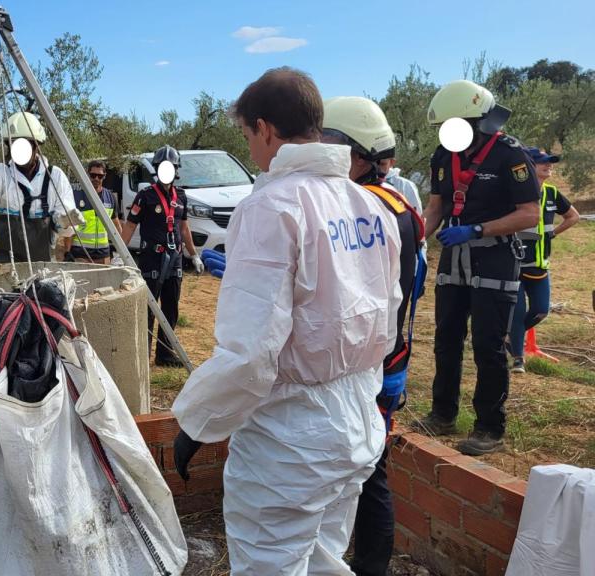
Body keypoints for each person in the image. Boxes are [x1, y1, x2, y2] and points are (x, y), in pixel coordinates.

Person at [171, 68, 401, 574]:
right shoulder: (370, 206)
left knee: (271, 564)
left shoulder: (270, 206)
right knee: (322, 558)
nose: (251, 149)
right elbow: (387, 317)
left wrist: (197, 422)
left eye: (248, 136)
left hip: (291, 440)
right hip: (358, 423)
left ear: (266, 129)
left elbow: (251, 352)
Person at [321, 97, 426, 576]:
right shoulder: (400, 204)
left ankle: (370, 568)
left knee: (368, 476)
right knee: (368, 471)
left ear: (356, 155)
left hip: (368, 368)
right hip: (390, 360)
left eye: (327, 143)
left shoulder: (363, 208)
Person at [415, 80, 540, 455]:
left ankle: (490, 428)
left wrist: (478, 229)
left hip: (496, 257)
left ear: (479, 121)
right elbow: (436, 207)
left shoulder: (510, 155)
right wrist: (412, 238)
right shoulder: (444, 155)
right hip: (455, 258)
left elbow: (529, 214)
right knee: (446, 339)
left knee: (488, 344)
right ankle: (442, 414)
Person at [121, 145, 203, 367]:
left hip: (174, 259)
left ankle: (165, 355)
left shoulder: (182, 196)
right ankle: (143, 356)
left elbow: (184, 228)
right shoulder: (145, 196)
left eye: (171, 167)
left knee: (171, 307)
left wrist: (194, 255)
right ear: (157, 169)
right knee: (149, 308)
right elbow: (129, 225)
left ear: (176, 170)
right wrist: (120, 253)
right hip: (151, 259)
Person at [508, 147, 581, 372]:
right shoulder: (512, 192)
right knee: (518, 312)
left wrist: (553, 233)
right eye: (543, 162)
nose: (549, 165)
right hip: (515, 265)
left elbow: (574, 216)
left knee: (540, 310)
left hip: (541, 266)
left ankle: (509, 337)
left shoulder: (551, 192)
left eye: (550, 162)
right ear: (529, 166)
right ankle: (518, 359)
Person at [0, 111, 82, 263]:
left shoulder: (55, 177)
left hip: (43, 268)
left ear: (36, 145)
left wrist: (65, 222)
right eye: (13, 144)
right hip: (3, 269)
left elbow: (66, 231)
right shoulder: (1, 174)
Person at [65, 160, 121, 264]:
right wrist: (67, 252)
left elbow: (116, 225)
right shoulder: (76, 196)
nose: (96, 178)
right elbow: (70, 226)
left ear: (104, 176)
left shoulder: (110, 197)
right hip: (80, 253)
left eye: (99, 176)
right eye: (93, 175)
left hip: (103, 255)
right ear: (88, 175)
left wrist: (118, 250)